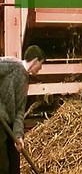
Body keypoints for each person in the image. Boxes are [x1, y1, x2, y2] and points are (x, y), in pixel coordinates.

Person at [0, 45, 45, 174]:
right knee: (2, 165)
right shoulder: (12, 64)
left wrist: (19, 135)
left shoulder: (25, 81)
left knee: (14, 164)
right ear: (35, 60)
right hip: (0, 122)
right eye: (40, 65)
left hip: (9, 123)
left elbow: (20, 110)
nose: (40, 69)